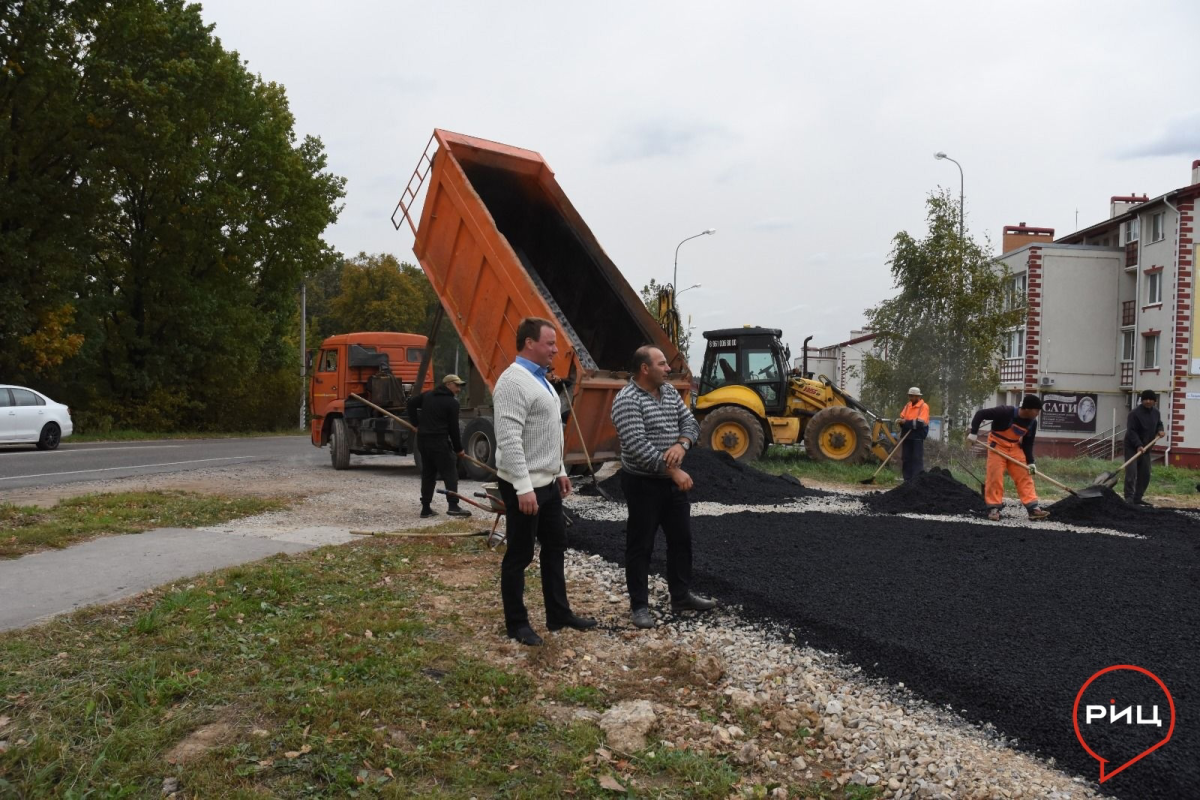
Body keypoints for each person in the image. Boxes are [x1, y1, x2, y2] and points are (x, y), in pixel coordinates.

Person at [494, 317, 597, 646]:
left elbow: (545, 433)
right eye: (550, 343)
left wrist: (560, 471)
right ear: (529, 344)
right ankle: (516, 623)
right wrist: (524, 487)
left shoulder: (541, 380)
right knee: (520, 555)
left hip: (548, 483)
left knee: (555, 547)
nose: (556, 349)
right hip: (524, 486)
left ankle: (558, 613)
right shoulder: (513, 382)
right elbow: (509, 439)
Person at [611, 345, 717, 630]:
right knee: (640, 545)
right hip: (642, 483)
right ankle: (639, 606)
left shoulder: (669, 393)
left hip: (670, 481)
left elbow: (691, 425)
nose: (668, 368)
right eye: (662, 364)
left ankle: (680, 597)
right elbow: (638, 449)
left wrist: (681, 446)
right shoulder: (627, 400)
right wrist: (674, 471)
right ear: (645, 369)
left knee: (681, 541)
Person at [968, 394, 1050, 522]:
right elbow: (980, 414)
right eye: (1037, 410)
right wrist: (973, 432)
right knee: (995, 476)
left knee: (1025, 476)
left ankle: (1033, 508)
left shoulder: (1032, 423)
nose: (1038, 413)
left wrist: (1031, 462)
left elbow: (1028, 443)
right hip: (996, 446)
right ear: (1027, 409)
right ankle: (993, 508)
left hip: (1015, 448)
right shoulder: (1004, 412)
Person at [406, 375, 472, 519]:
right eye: (457, 385)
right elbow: (453, 429)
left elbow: (410, 403)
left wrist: (416, 424)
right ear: (448, 384)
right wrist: (459, 449)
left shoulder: (428, 395)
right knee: (450, 473)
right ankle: (453, 506)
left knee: (428, 474)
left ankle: (425, 509)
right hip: (438, 442)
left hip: (423, 442)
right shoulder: (452, 403)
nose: (459, 389)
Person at [1124, 389, 1164, 506]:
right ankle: (1129, 498)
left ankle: (1138, 497)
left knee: (1145, 474)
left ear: (1154, 401)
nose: (1147, 401)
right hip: (1132, 447)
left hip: (1147, 447)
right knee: (1131, 473)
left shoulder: (1156, 412)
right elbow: (1131, 431)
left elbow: (1159, 423)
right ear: (1141, 401)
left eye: (1150, 399)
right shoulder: (1134, 413)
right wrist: (1138, 445)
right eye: (1145, 399)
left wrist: (1160, 430)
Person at [897, 387, 930, 482]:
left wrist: (906, 422)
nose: (910, 398)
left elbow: (920, 423)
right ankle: (907, 480)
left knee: (916, 458)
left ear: (917, 396)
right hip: (907, 436)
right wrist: (901, 422)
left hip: (917, 436)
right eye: (909, 396)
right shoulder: (908, 405)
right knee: (906, 458)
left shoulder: (924, 406)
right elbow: (902, 417)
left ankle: (916, 480)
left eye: (911, 396)